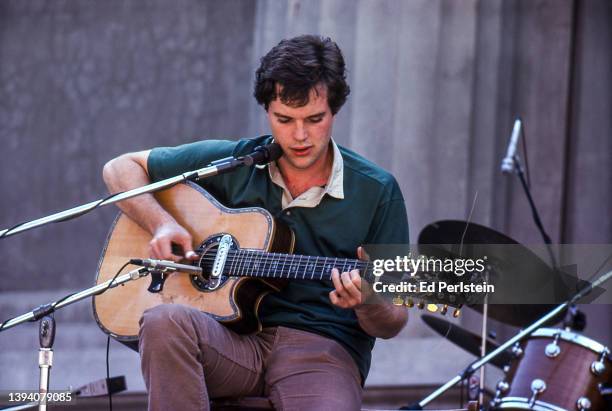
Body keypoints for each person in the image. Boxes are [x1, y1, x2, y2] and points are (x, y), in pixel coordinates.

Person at [103, 35, 409, 411]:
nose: (299, 136)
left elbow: (392, 321)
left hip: (322, 351)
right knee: (164, 322)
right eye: (285, 119)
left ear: (335, 110)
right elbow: (120, 169)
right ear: (267, 110)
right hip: (230, 338)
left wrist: (368, 302)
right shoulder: (236, 162)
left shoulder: (377, 191)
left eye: (315, 119)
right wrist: (161, 223)